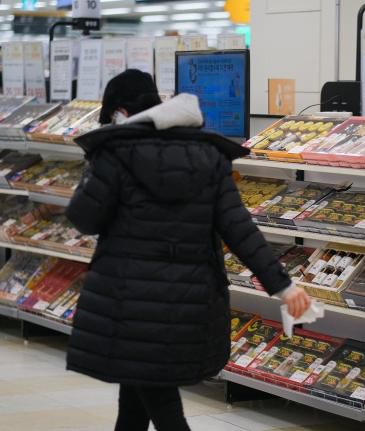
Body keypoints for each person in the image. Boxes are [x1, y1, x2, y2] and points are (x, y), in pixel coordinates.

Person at [65, 69, 312, 431]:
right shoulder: (208, 155)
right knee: (135, 398)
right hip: (190, 302)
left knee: (162, 406)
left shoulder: (115, 154)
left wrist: (93, 172)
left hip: (129, 301)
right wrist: (283, 286)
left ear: (119, 112)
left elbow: (84, 218)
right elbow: (239, 228)